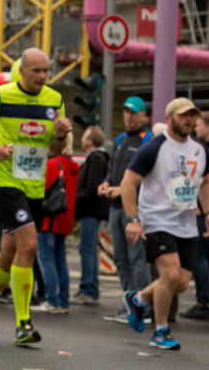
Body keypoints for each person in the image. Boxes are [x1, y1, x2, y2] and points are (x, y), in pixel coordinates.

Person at [0, 48, 72, 344]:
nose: (42, 77)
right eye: (36, 71)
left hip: (34, 184)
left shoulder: (54, 100)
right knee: (30, 244)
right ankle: (24, 323)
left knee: (10, 251)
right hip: (3, 181)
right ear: (22, 71)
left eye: (46, 71)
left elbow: (55, 152)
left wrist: (59, 135)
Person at [122, 98, 209, 349]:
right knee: (170, 273)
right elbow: (128, 182)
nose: (189, 120)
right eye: (183, 115)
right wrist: (133, 219)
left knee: (182, 282)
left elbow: (206, 182)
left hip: (185, 221)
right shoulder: (153, 148)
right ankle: (161, 330)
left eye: (192, 116)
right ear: (169, 118)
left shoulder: (200, 149)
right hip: (156, 219)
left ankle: (138, 299)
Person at [98, 97, 153, 323]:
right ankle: (129, 303)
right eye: (126, 112)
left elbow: (149, 174)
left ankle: (145, 307)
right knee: (120, 259)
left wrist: (124, 189)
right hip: (115, 207)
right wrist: (105, 182)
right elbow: (114, 169)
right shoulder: (121, 138)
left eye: (134, 112)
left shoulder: (149, 139)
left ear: (143, 115)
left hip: (136, 209)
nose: (129, 116)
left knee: (138, 260)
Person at [182, 111, 209, 319]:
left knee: (198, 255)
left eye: (199, 125)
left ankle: (205, 301)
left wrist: (203, 206)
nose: (195, 128)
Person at [36, 134, 79, 313]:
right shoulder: (72, 166)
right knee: (60, 260)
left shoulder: (53, 165)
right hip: (65, 217)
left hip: (50, 218)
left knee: (47, 259)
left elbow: (40, 188)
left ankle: (51, 299)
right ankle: (63, 301)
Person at [74, 126, 109, 305]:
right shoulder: (97, 158)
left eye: (85, 136)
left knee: (87, 250)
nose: (82, 139)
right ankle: (90, 287)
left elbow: (92, 186)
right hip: (91, 209)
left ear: (91, 140)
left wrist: (75, 199)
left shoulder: (95, 158)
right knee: (89, 249)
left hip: (90, 209)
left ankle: (88, 288)